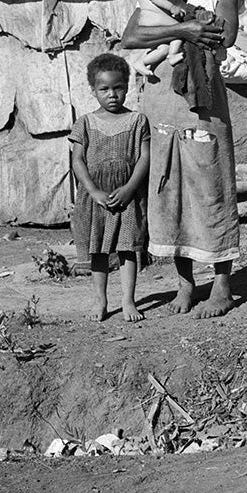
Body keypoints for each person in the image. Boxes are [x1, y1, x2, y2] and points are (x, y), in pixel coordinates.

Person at [120, 0, 241, 319]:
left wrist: (187, 25)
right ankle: (186, 284)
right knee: (169, 189)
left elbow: (225, 34)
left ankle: (222, 286)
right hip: (162, 101)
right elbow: (131, 37)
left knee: (211, 186)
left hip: (203, 101)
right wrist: (187, 29)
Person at [69, 53, 151, 322]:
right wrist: (94, 191)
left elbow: (144, 157)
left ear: (127, 87)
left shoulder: (138, 121)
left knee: (128, 248)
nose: (112, 95)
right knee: (98, 249)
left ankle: (128, 301)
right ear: (93, 90)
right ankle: (100, 301)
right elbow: (78, 160)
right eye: (104, 89)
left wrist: (129, 188)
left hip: (127, 195)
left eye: (118, 87)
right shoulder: (85, 123)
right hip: (96, 197)